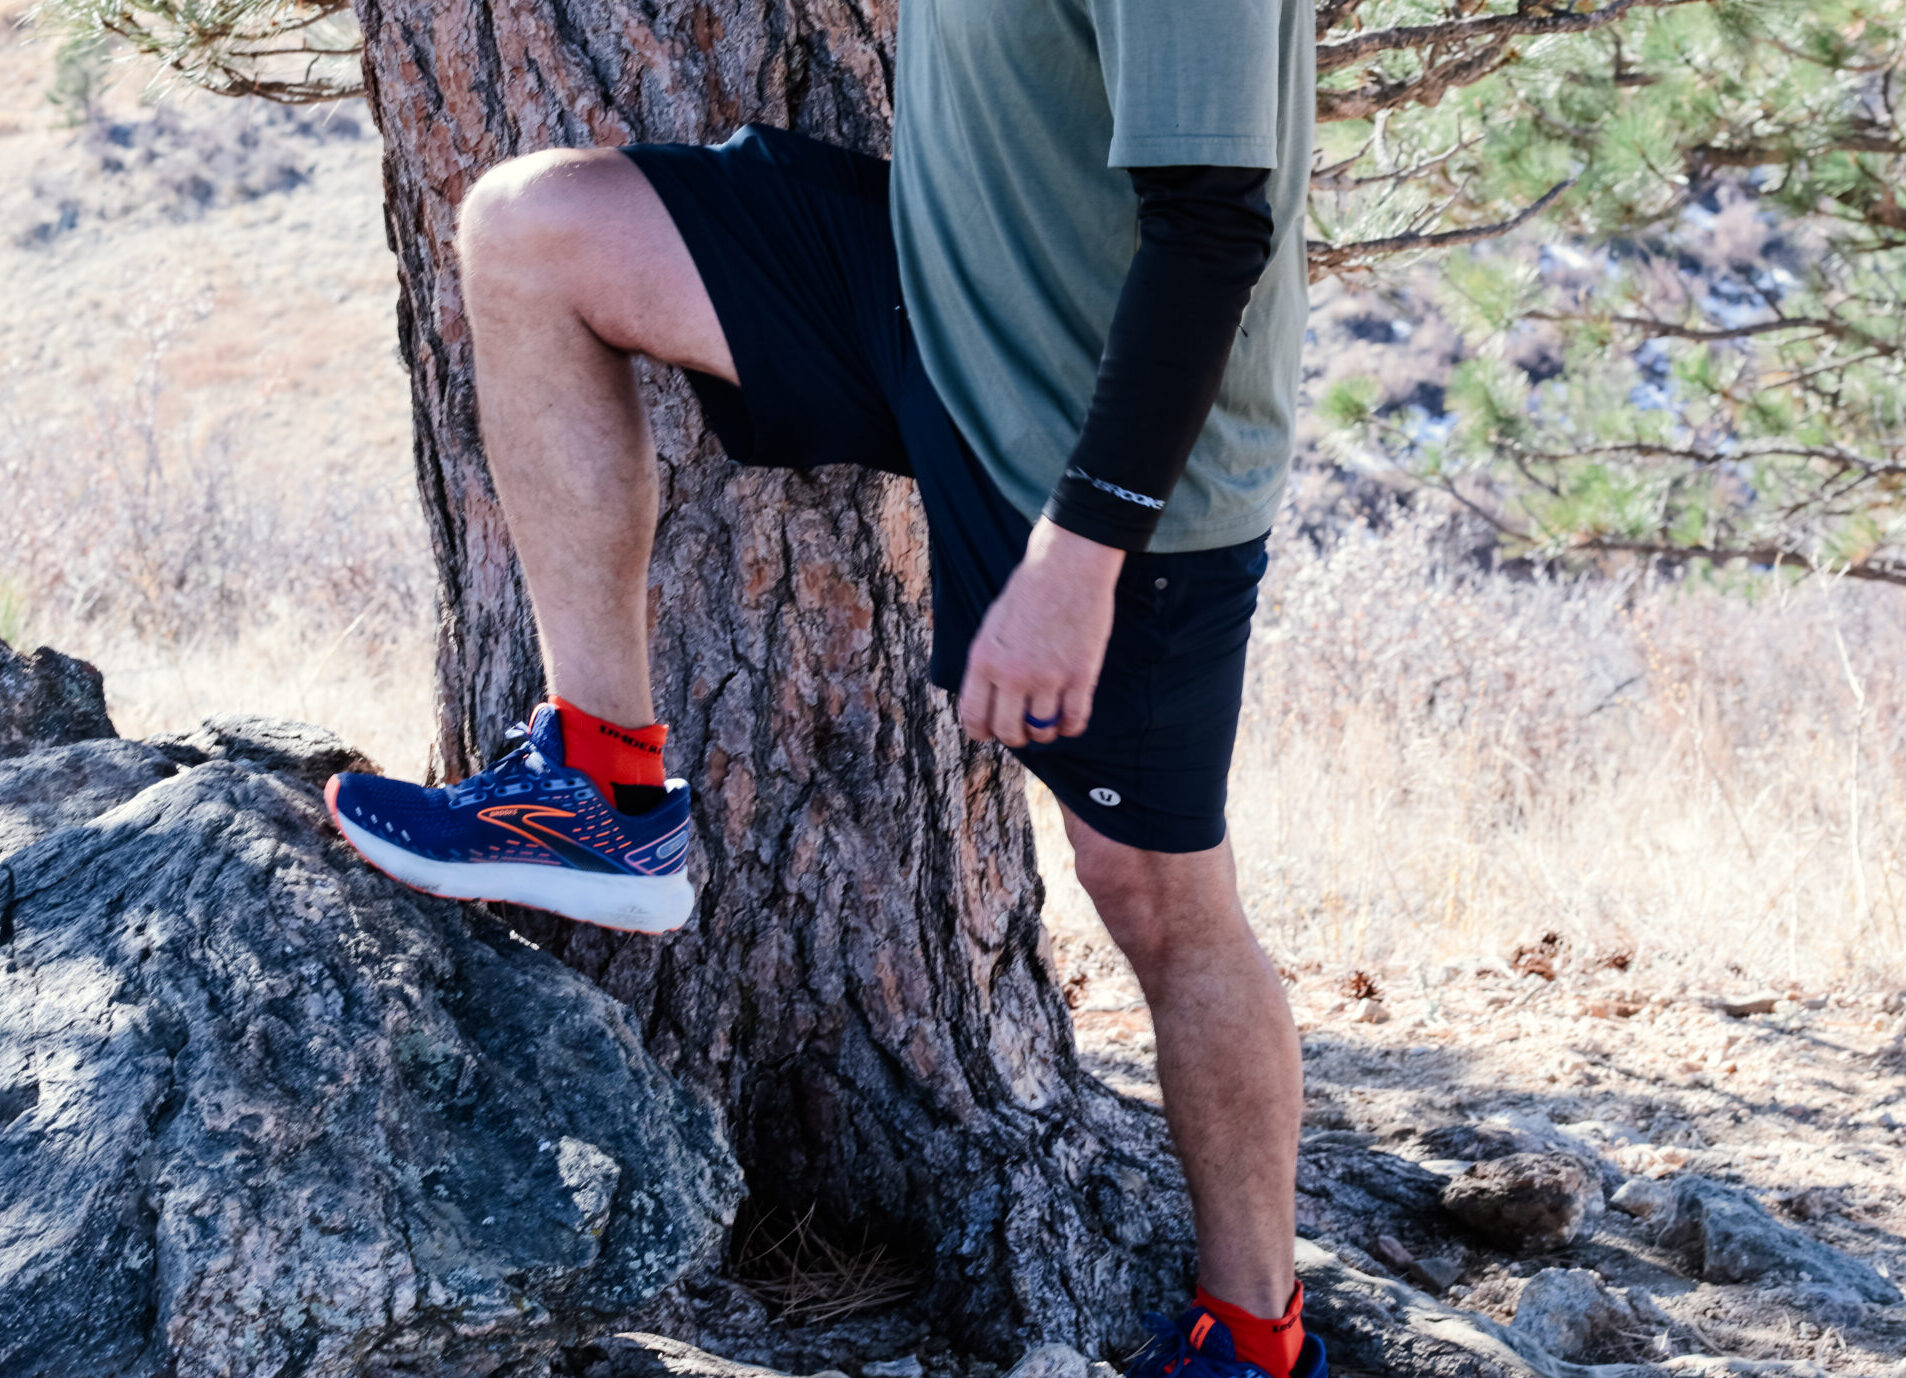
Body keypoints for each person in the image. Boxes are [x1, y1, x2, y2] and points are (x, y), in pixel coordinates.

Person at [325, 2, 1320, 1373]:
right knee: (536, 228)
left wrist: (1079, 558)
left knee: (1160, 897)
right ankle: (601, 781)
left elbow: (1215, 227)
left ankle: (1254, 1338)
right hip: (922, 291)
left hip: (1109, 451)